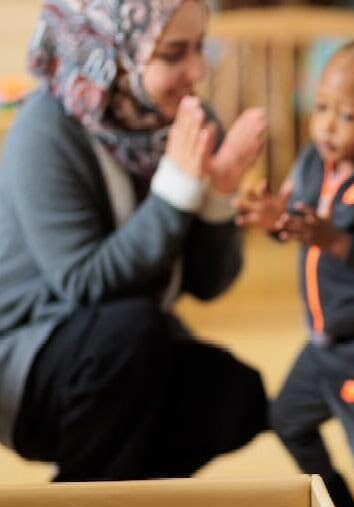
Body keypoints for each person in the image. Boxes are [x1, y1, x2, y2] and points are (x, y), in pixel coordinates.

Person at [0, 0, 269, 481]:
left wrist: (217, 196)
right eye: (173, 54)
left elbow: (207, 285)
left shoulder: (184, 122)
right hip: (31, 360)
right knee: (132, 330)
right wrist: (177, 190)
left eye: (200, 48)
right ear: (112, 51)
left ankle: (117, 491)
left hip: (127, 355)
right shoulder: (46, 128)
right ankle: (80, 494)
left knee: (237, 396)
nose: (197, 70)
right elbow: (85, 283)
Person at [236, 37, 354, 507]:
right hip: (321, 342)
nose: (326, 126)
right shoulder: (311, 163)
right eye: (321, 107)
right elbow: (300, 225)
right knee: (286, 419)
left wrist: (340, 242)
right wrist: (274, 222)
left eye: (347, 116)